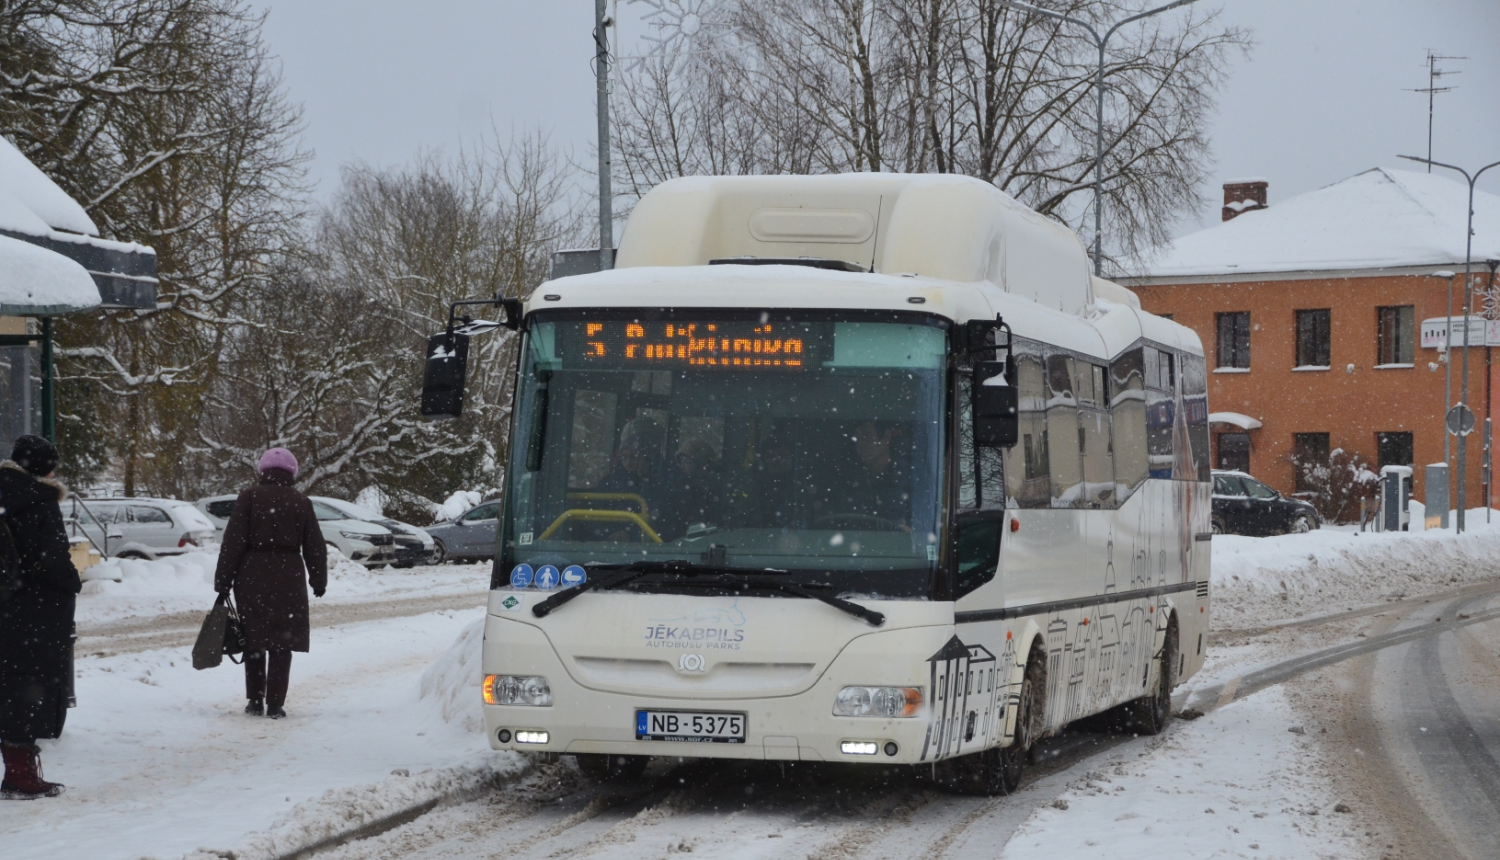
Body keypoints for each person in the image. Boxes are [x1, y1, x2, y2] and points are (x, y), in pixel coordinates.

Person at [213, 448, 327, 719]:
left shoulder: (249, 497)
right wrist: (318, 579)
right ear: (292, 473)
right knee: (281, 640)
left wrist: (223, 581)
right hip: (289, 575)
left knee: (254, 638)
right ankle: (275, 703)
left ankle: (254, 700)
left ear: (263, 471)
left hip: (252, 574)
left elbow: (233, 542)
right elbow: (315, 545)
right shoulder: (301, 501)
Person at [0, 435, 81, 799]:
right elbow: (53, 560)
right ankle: (20, 775)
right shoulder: (41, 503)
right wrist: (71, 583)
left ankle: (18, 773)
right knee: (25, 686)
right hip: (31, 610)